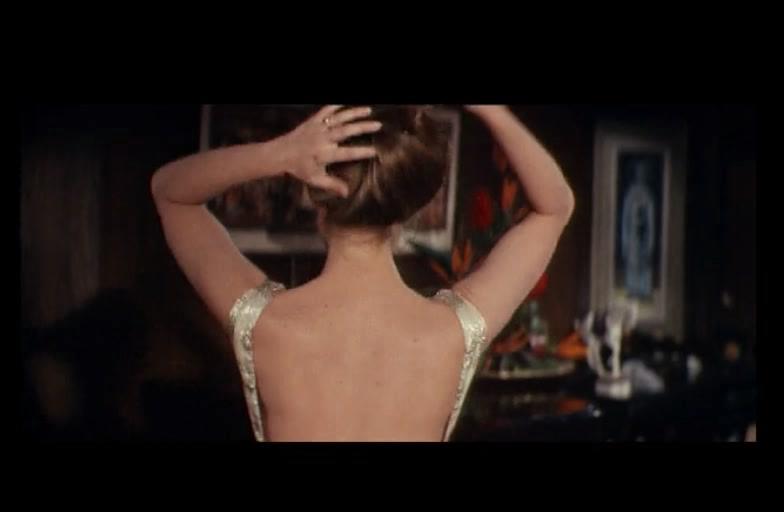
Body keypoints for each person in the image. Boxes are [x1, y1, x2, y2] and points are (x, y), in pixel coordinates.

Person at [151, 105, 574, 442]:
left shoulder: (264, 322)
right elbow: (554, 207)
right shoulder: (452, 332)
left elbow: (170, 192)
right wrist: (491, 109)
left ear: (317, 199)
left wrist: (278, 154)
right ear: (406, 211)